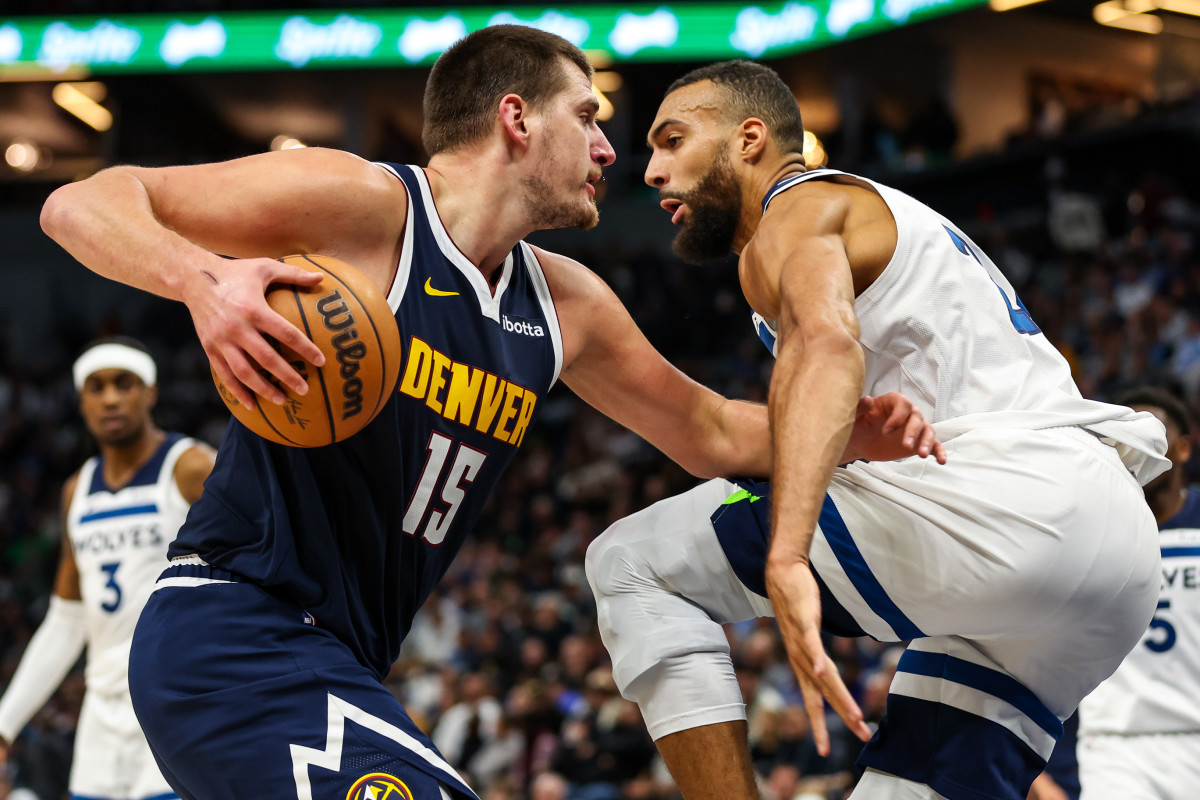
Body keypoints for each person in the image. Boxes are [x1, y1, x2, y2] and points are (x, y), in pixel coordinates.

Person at [38, 27, 939, 800]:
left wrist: (849, 431)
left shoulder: (568, 305)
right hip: (229, 635)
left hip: (340, 661)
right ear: (516, 118)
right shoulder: (366, 207)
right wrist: (205, 283)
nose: (610, 147)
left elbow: (706, 432)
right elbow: (83, 201)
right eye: (586, 116)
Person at [584, 60, 1169, 800]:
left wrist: (788, 554)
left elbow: (824, 344)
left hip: (1007, 510)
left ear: (750, 138)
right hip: (1110, 553)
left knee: (632, 563)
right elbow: (726, 438)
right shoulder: (892, 220)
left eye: (672, 141)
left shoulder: (793, 212)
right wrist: (851, 438)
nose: (654, 171)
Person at [0, 337, 216, 800]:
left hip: (175, 704)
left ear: (151, 392)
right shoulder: (77, 490)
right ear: (81, 401)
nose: (111, 397)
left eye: (125, 383)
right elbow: (67, 620)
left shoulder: (192, 467)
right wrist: (5, 723)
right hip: (102, 718)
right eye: (96, 387)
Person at [1073, 387, 1200, 800]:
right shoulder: (1089, 528)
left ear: (1182, 448)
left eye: (1153, 434)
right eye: (1125, 438)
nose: (1136, 448)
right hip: (1114, 744)